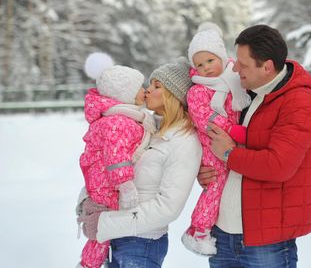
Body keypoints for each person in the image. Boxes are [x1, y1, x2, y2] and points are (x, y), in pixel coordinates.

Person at [201, 24, 311, 267]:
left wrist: (228, 153)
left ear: (267, 66)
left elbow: (278, 165)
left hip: (265, 243)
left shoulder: (301, 104)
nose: (235, 68)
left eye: (243, 64)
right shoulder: (250, 94)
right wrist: (208, 170)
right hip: (223, 235)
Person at [77, 57, 202, 267]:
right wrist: (87, 203)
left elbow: (167, 208)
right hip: (114, 237)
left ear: (174, 95)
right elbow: (106, 166)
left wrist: (104, 224)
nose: (147, 90)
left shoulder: (184, 140)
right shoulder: (145, 127)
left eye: (156, 86)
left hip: (140, 243)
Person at [78, 52, 156, 268]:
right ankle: (88, 265)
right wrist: (126, 185)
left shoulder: (123, 117)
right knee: (101, 236)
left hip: (105, 184)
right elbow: (116, 156)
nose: (145, 91)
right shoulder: (117, 122)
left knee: (102, 235)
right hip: (107, 187)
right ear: (125, 94)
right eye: (139, 88)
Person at [181, 22, 251, 256]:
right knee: (217, 183)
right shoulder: (198, 91)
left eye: (210, 61)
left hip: (233, 143)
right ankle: (198, 230)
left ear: (221, 56)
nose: (206, 68)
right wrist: (234, 130)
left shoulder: (236, 80)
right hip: (212, 144)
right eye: (199, 64)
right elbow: (206, 119)